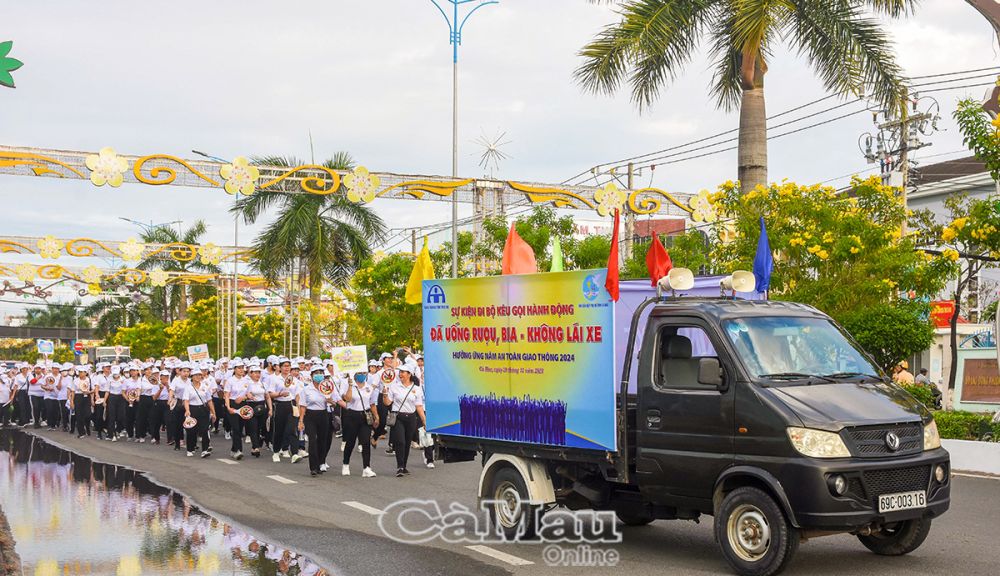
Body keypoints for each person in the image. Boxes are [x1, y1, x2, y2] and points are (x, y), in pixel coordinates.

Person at [383, 362, 426, 477]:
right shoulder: (394, 386)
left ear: (409, 374)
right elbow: (387, 402)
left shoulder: (417, 389)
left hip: (411, 417)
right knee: (400, 441)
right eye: (400, 372)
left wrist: (424, 420)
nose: (400, 374)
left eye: (403, 372)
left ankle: (404, 466)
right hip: (398, 417)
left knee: (407, 442)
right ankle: (400, 466)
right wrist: (385, 394)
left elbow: (419, 406)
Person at [335, 369, 377, 477]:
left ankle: (366, 467)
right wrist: (350, 386)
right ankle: (345, 464)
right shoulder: (349, 385)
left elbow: (372, 403)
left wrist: (376, 416)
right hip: (352, 415)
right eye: (359, 374)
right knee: (350, 442)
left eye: (364, 373)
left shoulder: (369, 387)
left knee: (365, 442)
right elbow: (347, 399)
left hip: (365, 416)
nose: (362, 376)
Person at [297, 366, 338, 477]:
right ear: (311, 376)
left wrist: (330, 401)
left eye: (321, 373)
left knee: (322, 440)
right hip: (310, 415)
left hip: (323, 414)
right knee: (313, 440)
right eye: (316, 373)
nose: (319, 375)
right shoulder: (306, 389)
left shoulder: (327, 387)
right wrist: (301, 420)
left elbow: (334, 404)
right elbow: (303, 406)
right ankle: (313, 467)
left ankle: (321, 462)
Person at [268, 358, 299, 462]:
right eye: (285, 366)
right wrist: (280, 394)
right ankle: (276, 452)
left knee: (292, 429)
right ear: (280, 367)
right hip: (280, 405)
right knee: (279, 430)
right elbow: (270, 394)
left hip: (292, 405)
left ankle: (294, 453)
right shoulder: (275, 379)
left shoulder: (294, 379)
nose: (287, 368)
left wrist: (298, 406)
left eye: (288, 366)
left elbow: (298, 394)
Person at [182, 370, 217, 458]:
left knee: (205, 429)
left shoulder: (205, 386)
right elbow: (186, 400)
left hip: (203, 409)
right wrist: (187, 410)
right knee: (191, 431)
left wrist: (213, 412)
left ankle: (205, 450)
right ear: (192, 376)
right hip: (192, 409)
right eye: (196, 375)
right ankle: (190, 448)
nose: (198, 377)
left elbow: (209, 400)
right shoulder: (188, 387)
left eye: (200, 375)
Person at [223, 360, 250, 459]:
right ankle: (238, 450)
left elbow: (248, 394)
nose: (241, 370)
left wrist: (244, 398)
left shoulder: (246, 380)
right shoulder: (230, 380)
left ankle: (233, 450)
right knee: (236, 428)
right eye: (239, 368)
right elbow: (226, 395)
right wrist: (228, 407)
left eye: (242, 367)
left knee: (240, 427)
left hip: (243, 405)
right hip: (232, 404)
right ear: (234, 369)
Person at [168, 364, 192, 451]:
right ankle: (177, 443)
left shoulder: (190, 381)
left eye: (188, 371)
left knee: (190, 424)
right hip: (178, 403)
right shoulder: (176, 380)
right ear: (180, 372)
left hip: (188, 403)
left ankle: (191, 444)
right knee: (178, 425)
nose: (186, 373)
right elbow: (171, 390)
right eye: (184, 371)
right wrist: (170, 399)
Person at [69, 366, 93, 438]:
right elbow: (73, 391)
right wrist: (72, 402)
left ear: (86, 373)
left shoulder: (89, 380)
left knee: (88, 414)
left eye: (82, 372)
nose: (81, 374)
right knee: (79, 415)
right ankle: (81, 432)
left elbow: (93, 390)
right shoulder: (75, 380)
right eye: (79, 372)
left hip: (86, 397)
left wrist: (90, 395)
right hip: (78, 396)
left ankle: (87, 427)